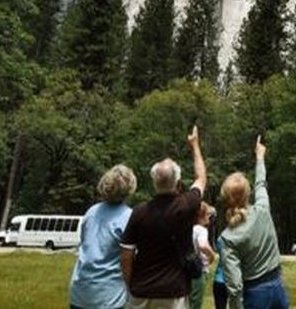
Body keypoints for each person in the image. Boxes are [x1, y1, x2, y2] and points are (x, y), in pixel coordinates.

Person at [121, 125, 208, 309]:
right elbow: (201, 178)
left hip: (141, 291)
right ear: (177, 182)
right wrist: (195, 145)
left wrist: (130, 285)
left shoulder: (139, 212)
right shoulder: (187, 205)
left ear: (154, 182)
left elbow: (126, 256)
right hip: (173, 293)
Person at [220, 135, 289, 309]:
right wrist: (259, 157)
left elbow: (234, 287)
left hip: (254, 294)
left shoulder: (227, 238)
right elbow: (261, 184)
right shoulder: (263, 210)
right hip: (278, 288)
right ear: (248, 194)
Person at [70, 164, 139, 309]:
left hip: (80, 291)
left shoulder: (91, 211)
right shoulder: (129, 217)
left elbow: (84, 243)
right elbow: (130, 258)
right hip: (109, 297)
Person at [190, 203, 218, 309]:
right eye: (207, 215)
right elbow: (202, 245)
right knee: (196, 303)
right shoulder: (201, 230)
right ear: (201, 216)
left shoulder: (188, 229)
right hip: (198, 270)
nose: (209, 218)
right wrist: (212, 255)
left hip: (186, 270)